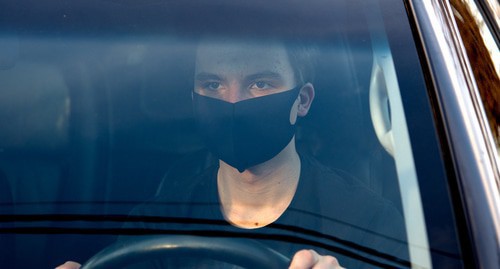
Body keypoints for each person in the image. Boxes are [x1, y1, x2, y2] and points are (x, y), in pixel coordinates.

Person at [57, 37, 407, 269]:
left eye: (260, 83)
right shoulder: (154, 227)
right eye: (213, 85)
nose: (233, 102)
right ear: (195, 99)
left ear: (301, 101)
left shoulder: (367, 227)